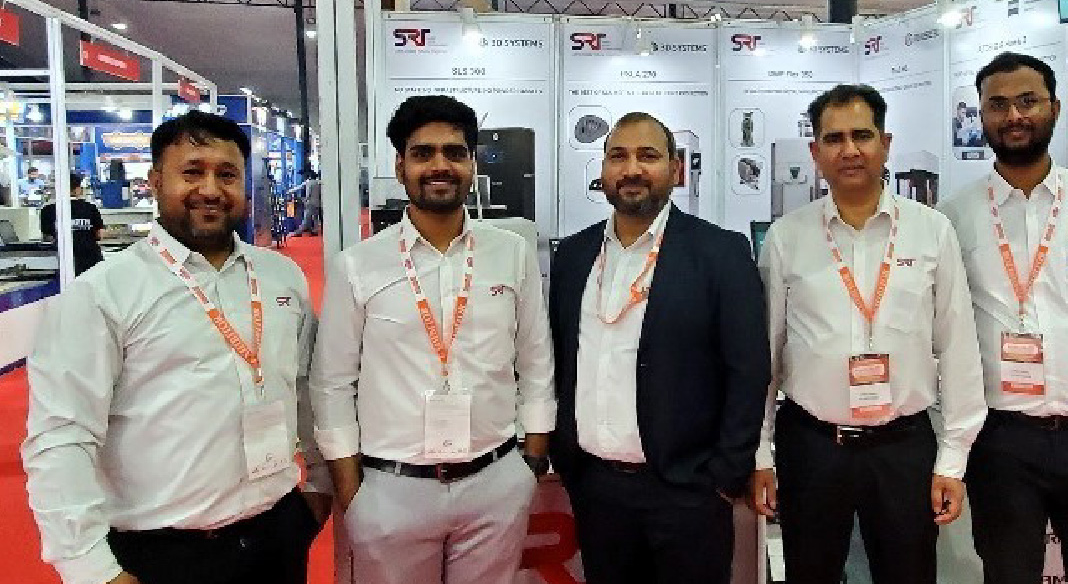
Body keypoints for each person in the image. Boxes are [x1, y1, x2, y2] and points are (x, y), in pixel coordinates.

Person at [22, 110, 331, 584]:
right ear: (155, 181)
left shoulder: (280, 276)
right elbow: (61, 435)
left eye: (226, 175)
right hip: (164, 553)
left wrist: (318, 485)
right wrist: (91, 567)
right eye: (192, 172)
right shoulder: (104, 293)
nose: (210, 189)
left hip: (276, 534)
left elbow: (307, 387)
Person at [309, 95, 555, 584]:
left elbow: (535, 361)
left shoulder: (511, 253)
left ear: (472, 165)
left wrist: (530, 464)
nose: (440, 165)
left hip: (495, 481)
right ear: (400, 167)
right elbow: (331, 383)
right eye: (423, 153)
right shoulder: (358, 265)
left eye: (454, 152)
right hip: (390, 489)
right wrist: (353, 493)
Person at [749, 85, 985, 584]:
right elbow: (765, 355)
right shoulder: (787, 237)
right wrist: (761, 452)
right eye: (834, 139)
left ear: (886, 143)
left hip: (903, 448)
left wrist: (953, 460)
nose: (849, 149)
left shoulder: (932, 231)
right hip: (812, 446)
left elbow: (958, 346)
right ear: (815, 152)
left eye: (862, 135)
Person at [939, 52, 1068, 584]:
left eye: (1028, 101)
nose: (1014, 115)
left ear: (1055, 108)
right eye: (998, 105)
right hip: (1002, 441)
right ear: (982, 116)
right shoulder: (954, 216)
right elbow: (947, 321)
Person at [547, 111, 768, 584]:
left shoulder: (720, 253)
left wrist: (725, 475)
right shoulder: (574, 256)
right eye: (618, 156)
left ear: (675, 168)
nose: (632, 170)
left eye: (648, 156)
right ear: (603, 169)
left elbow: (748, 370)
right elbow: (561, 359)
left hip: (688, 494)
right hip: (597, 491)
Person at [40, 171, 105, 276]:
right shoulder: (90, 208)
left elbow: (47, 238)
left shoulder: (47, 210)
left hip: (61, 261)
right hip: (90, 260)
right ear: (78, 189)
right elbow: (100, 235)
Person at [292, 167, 322, 236]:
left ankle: (299, 232)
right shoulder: (318, 182)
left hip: (310, 203)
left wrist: (304, 200)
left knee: (306, 218)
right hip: (317, 203)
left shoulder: (309, 183)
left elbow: (308, 194)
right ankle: (315, 231)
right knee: (315, 218)